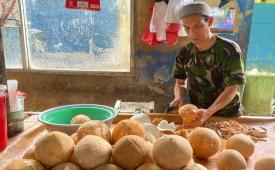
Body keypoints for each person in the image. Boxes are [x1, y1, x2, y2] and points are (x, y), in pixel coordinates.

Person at [170, 1, 246, 127]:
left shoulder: (229, 50)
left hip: (227, 115)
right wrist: (178, 97)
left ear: (210, 22)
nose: (192, 33)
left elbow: (233, 87)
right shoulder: (185, 52)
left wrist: (209, 112)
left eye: (198, 26)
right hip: (198, 115)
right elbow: (180, 83)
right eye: (187, 28)